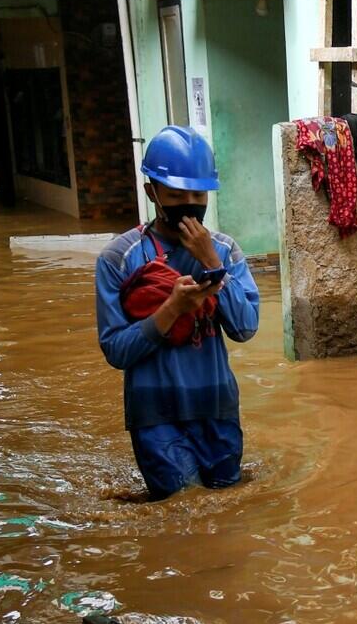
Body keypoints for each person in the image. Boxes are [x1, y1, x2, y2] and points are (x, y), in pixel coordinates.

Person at [95, 125, 260, 500]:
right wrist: (172, 309)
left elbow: (245, 328)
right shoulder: (118, 258)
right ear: (151, 191)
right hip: (156, 416)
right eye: (175, 194)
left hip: (217, 409)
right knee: (183, 508)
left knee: (226, 506)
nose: (189, 202)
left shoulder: (225, 250)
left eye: (198, 193)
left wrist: (212, 262)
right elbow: (116, 351)